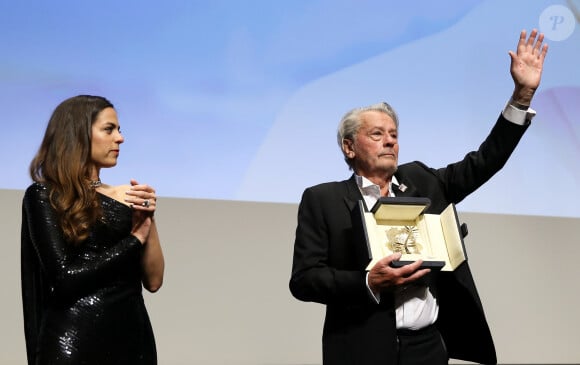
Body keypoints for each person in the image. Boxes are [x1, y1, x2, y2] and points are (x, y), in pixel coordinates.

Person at [289, 29, 548, 365]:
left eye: (394, 135)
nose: (389, 142)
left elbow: (486, 161)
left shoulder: (422, 180)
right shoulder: (322, 199)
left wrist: (522, 96)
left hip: (427, 348)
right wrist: (368, 280)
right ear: (349, 147)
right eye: (377, 134)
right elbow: (305, 280)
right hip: (361, 350)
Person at [20, 95, 165, 364]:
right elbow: (64, 279)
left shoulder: (128, 197)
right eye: (109, 129)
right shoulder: (45, 195)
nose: (119, 139)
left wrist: (148, 220)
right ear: (78, 134)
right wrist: (134, 241)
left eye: (119, 130)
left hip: (133, 340)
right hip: (75, 342)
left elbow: (154, 282)